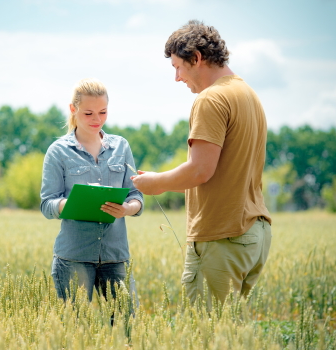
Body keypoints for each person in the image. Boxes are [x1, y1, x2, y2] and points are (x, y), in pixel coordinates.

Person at [132, 20, 272, 305]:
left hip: (223, 237)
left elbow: (200, 170)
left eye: (178, 67)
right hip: (253, 235)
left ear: (196, 58)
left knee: (204, 334)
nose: (177, 78)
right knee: (228, 333)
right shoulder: (248, 94)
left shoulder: (211, 99)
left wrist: (156, 183)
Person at [40, 78, 144, 302]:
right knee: (75, 328)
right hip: (74, 256)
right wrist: (73, 203)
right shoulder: (58, 151)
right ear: (73, 110)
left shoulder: (121, 146)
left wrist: (127, 208)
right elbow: (47, 204)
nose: (97, 119)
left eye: (103, 112)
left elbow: (136, 196)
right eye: (88, 113)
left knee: (127, 325)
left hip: (115, 255)